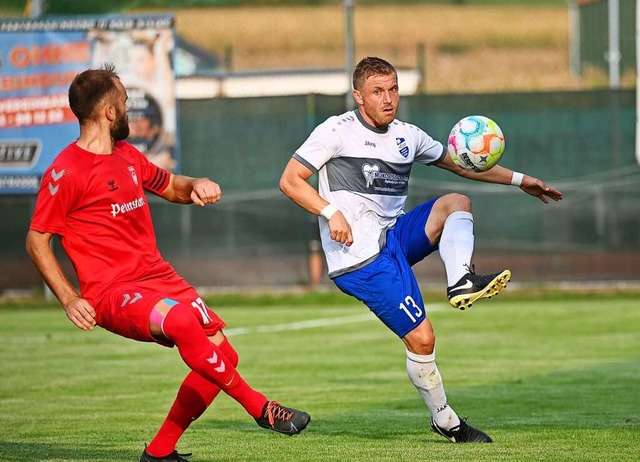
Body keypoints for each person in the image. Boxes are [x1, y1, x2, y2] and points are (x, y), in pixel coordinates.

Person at [26, 64, 310, 462]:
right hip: (112, 292)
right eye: (124, 103)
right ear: (109, 113)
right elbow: (38, 239)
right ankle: (260, 408)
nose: (128, 110)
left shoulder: (126, 154)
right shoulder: (66, 171)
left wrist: (195, 185)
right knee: (179, 322)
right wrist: (70, 298)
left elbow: (169, 184)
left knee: (223, 359)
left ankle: (159, 453)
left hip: (159, 276)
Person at [279, 56, 562, 443]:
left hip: (393, 237)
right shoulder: (335, 131)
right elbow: (291, 180)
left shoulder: (407, 135)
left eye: (393, 89)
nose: (388, 98)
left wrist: (521, 180)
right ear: (358, 96)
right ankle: (446, 421)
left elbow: (463, 165)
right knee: (423, 339)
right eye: (378, 91)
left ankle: (460, 280)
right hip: (359, 258)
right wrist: (331, 213)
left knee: (456, 202)